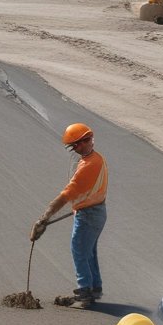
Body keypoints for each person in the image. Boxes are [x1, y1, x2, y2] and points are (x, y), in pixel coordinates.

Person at [30, 123, 108, 304]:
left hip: (89, 215)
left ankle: (84, 291)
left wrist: (44, 218)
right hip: (97, 211)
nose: (75, 149)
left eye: (77, 144)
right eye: (72, 146)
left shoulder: (88, 166)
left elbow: (66, 196)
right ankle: (95, 287)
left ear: (86, 141)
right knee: (89, 252)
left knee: (79, 250)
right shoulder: (97, 158)